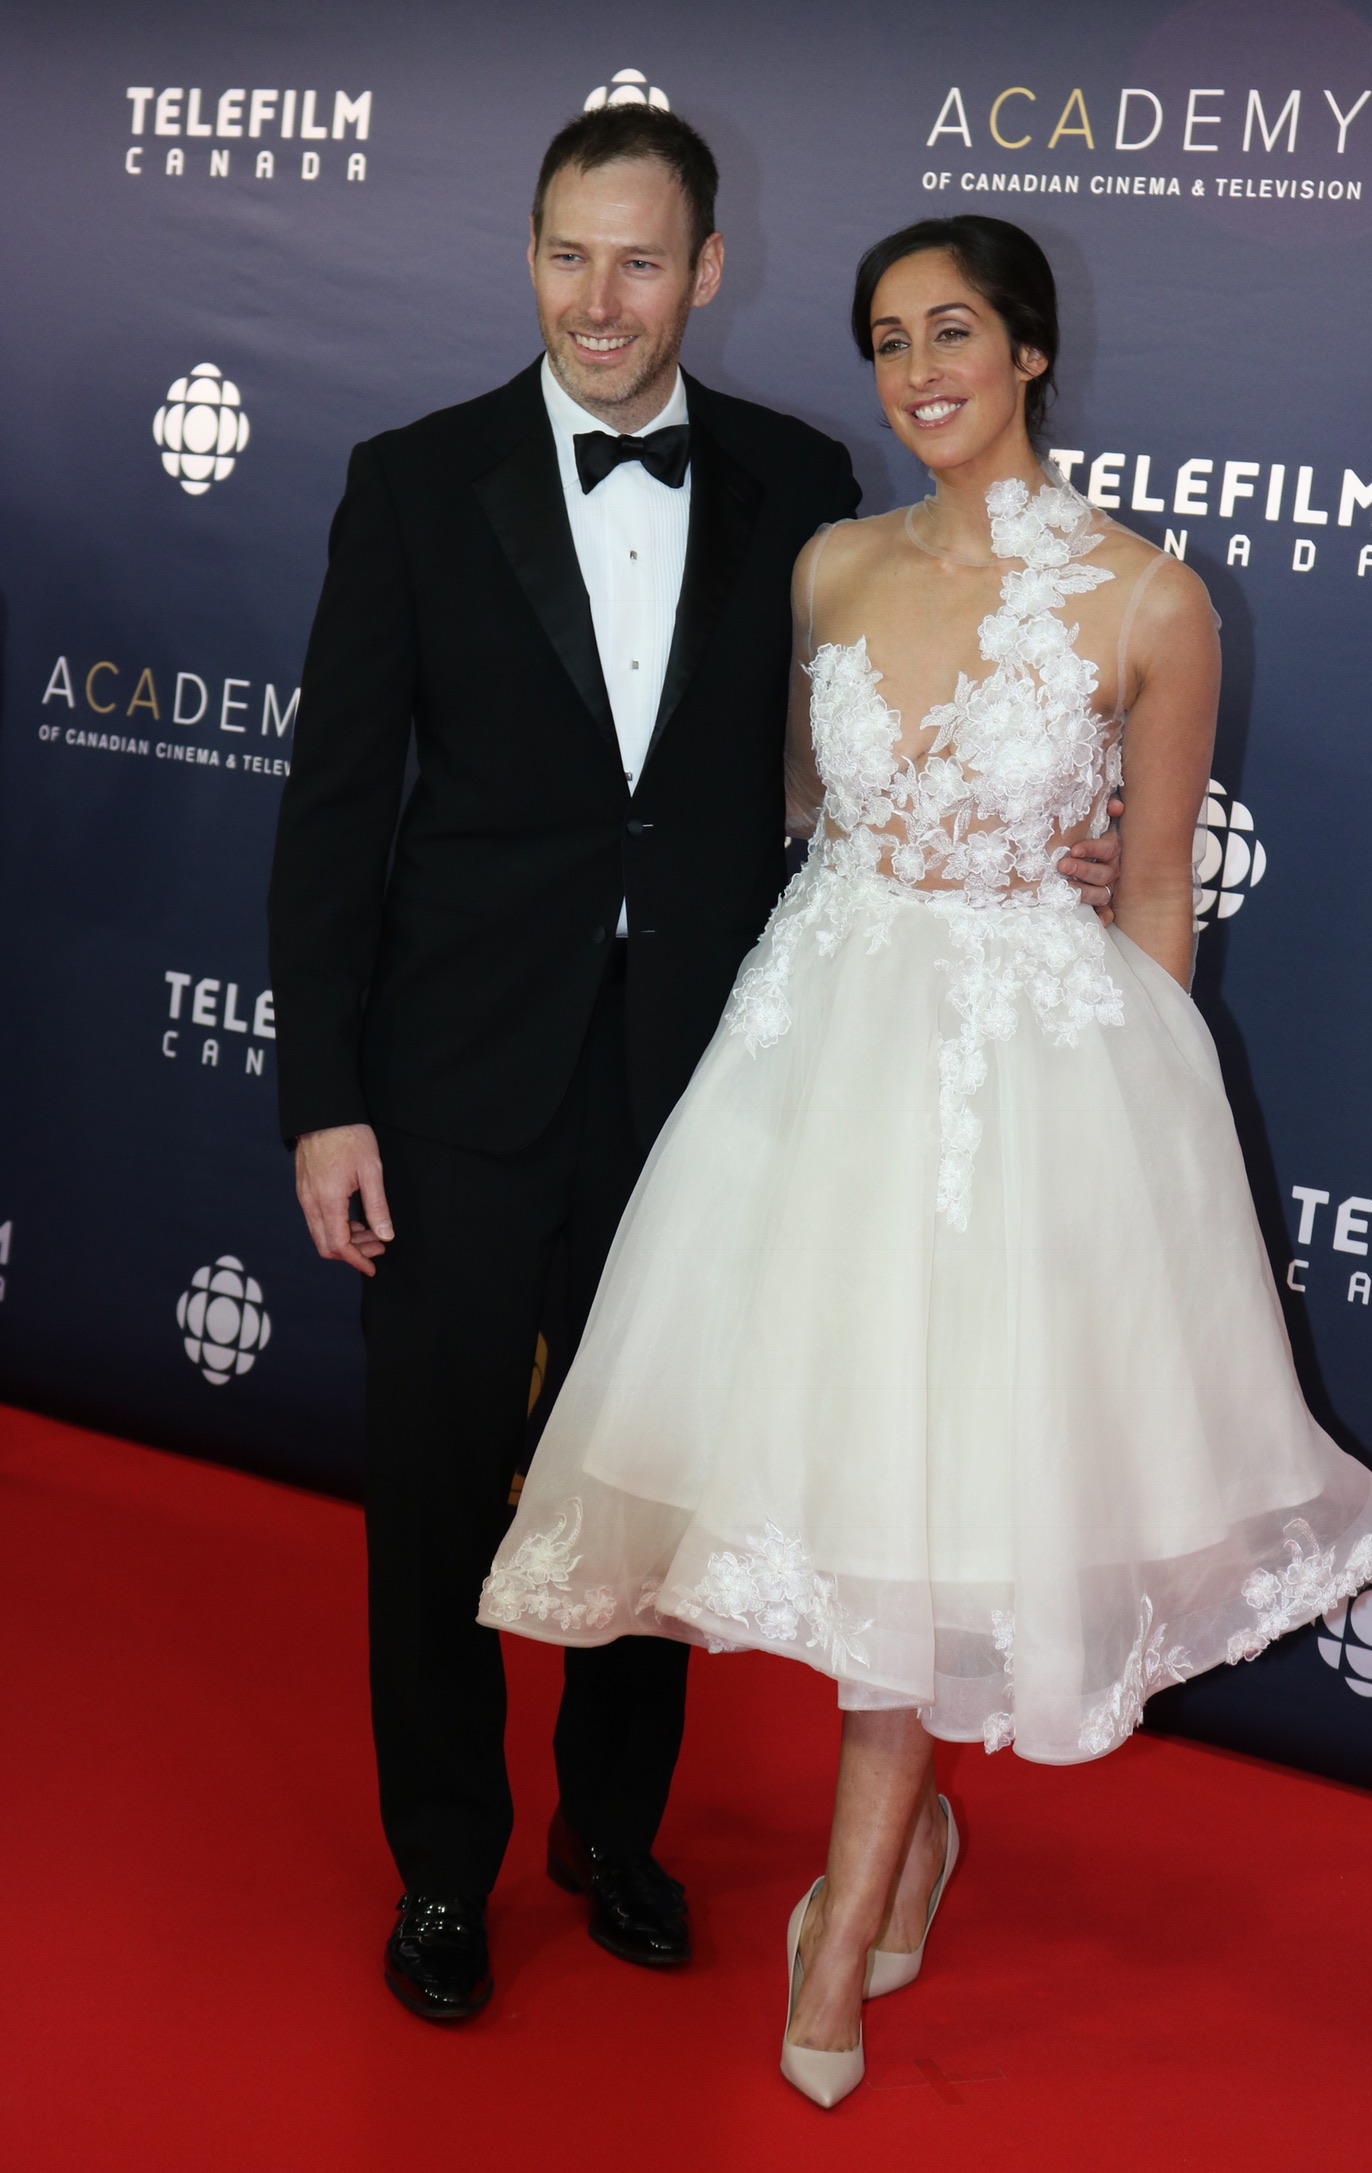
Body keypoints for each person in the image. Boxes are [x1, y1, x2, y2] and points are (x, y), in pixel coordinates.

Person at [480, 213, 1372, 2104]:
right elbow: (800, 803)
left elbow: (1157, 894)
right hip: (816, 1064)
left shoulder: (1150, 600)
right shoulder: (830, 565)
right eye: (889, 340)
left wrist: (1123, 1151)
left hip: (1017, 1091)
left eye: (954, 331)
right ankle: (898, 1848)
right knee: (849, 1484)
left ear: (1030, 350)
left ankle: (844, 1918)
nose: (918, 373)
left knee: (938, 1502)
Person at [267, 111, 1133, 2024]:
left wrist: (1035, 843)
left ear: (707, 271)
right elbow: (332, 811)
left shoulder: (799, 483)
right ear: (529, 254)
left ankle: (612, 1830)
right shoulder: (410, 481)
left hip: (704, 1088)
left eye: (641, 261)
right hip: (449, 1087)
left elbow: (853, 762)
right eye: (569, 256)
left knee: (653, 1486)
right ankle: (444, 1867)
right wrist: (323, 1092)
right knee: (435, 1489)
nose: (602, 301)